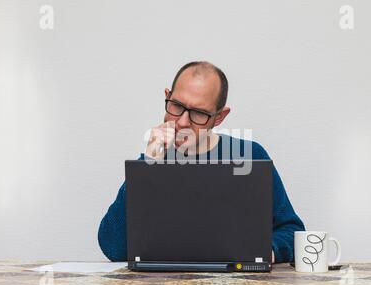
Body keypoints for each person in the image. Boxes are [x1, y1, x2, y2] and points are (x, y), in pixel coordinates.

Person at [98, 61, 305, 263]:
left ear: (219, 117)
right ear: (167, 97)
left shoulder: (249, 155)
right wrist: (148, 165)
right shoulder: (154, 159)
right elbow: (113, 247)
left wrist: (266, 252)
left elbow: (292, 231)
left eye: (199, 113)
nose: (183, 122)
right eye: (177, 106)